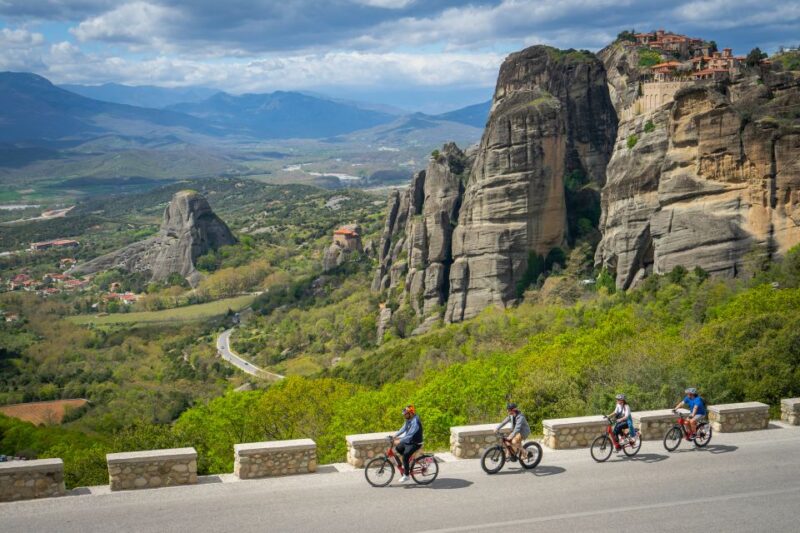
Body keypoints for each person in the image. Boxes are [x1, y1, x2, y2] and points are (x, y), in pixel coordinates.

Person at [393, 404, 423, 483]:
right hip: (410, 441)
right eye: (405, 414)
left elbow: (409, 435)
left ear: (411, 413)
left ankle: (406, 475)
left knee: (405, 456)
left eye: (406, 414)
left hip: (416, 443)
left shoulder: (415, 422)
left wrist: (399, 440)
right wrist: (395, 435)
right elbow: (403, 428)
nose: (405, 416)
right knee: (397, 449)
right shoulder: (409, 419)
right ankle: (406, 465)